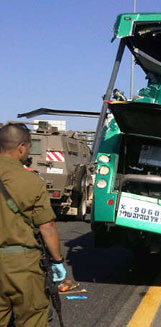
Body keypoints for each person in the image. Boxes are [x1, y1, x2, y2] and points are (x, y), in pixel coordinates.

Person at [0, 123, 66, 327]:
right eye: (29, 148)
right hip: (22, 264)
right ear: (21, 147)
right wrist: (57, 261)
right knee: (32, 319)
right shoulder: (31, 181)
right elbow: (47, 227)